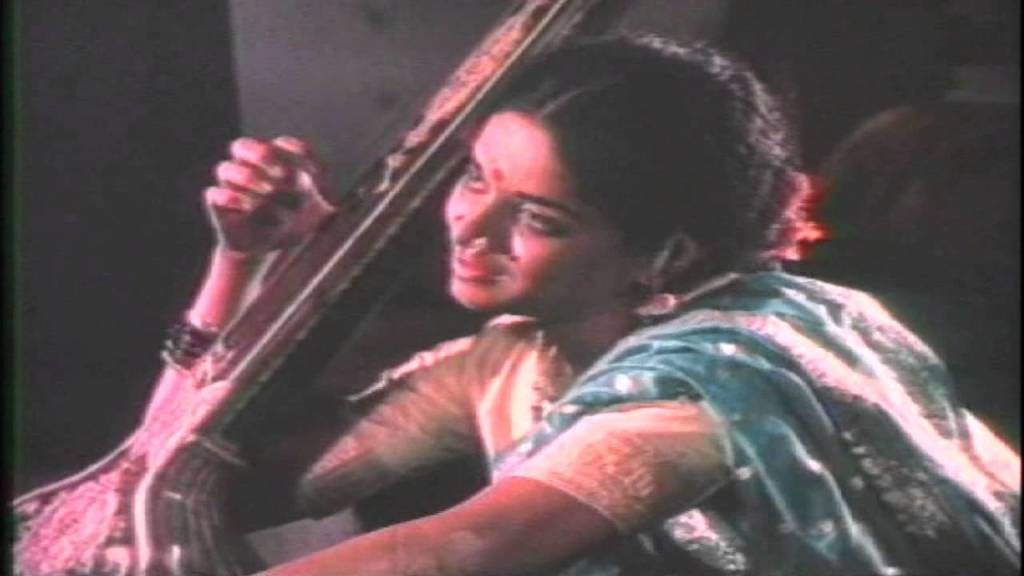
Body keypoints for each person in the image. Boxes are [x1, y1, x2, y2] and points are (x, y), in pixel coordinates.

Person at [161, 36, 1023, 575]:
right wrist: (248, 264)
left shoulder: (714, 386)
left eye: (538, 218)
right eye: (476, 179)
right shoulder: (512, 357)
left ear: (668, 254)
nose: (471, 228)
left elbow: (458, 551)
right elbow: (192, 481)